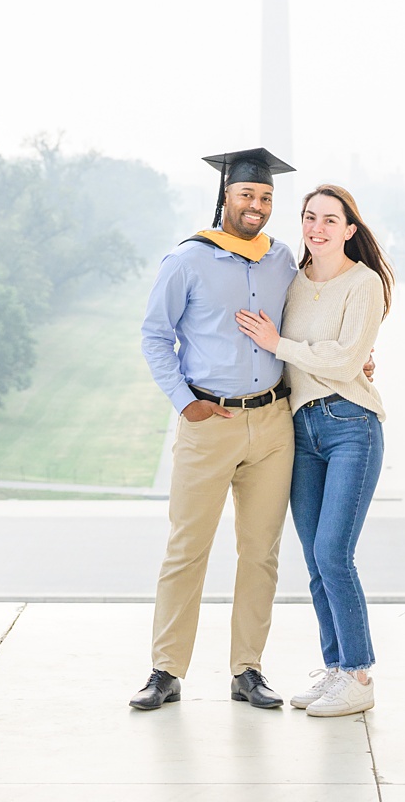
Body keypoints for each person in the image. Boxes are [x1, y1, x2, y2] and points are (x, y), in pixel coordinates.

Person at [131, 148, 300, 712]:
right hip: (210, 422)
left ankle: (247, 669)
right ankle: (166, 670)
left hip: (273, 425)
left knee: (261, 553)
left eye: (266, 198)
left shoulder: (281, 260)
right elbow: (156, 335)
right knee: (187, 549)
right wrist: (185, 402)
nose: (257, 206)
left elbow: (303, 323)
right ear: (226, 196)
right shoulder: (187, 260)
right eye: (248, 195)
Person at [235, 183, 393, 717]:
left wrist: (278, 343)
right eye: (309, 217)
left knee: (333, 553)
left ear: (350, 230)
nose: (317, 227)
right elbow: (310, 356)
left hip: (352, 425)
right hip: (301, 429)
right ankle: (335, 670)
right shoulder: (293, 282)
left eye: (330, 219)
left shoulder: (364, 283)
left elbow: (347, 360)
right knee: (314, 559)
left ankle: (359, 673)